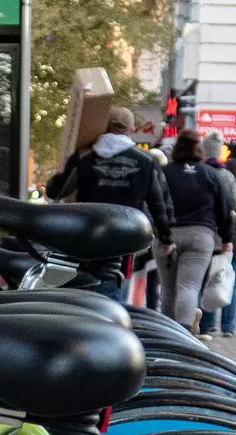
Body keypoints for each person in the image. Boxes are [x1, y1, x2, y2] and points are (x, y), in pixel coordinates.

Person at [45, 105, 172, 302]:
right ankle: (110, 321)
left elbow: (57, 191)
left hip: (89, 232)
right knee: (117, 284)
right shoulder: (146, 160)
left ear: (103, 127)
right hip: (127, 233)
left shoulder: (84, 156)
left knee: (87, 283)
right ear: (131, 129)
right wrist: (166, 236)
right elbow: (159, 202)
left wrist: (58, 174)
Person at [156, 131, 230, 324]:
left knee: (167, 288)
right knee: (189, 286)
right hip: (200, 235)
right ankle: (184, 332)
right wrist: (226, 238)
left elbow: (154, 203)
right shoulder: (210, 174)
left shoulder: (164, 172)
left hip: (167, 234)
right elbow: (224, 208)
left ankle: (167, 334)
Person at [196, 133, 236, 337]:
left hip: (201, 232)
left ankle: (206, 325)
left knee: (204, 281)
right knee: (226, 279)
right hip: (222, 236)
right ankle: (228, 326)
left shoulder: (198, 172)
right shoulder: (226, 176)